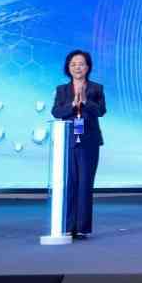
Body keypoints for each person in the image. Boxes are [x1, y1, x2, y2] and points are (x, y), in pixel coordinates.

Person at [51, 50, 106, 240]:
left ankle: (82, 228)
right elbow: (56, 112)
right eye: (73, 64)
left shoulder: (96, 88)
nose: (77, 67)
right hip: (67, 141)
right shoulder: (62, 90)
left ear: (87, 67)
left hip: (89, 141)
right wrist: (73, 106)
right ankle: (67, 226)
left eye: (81, 64)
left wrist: (85, 102)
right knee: (69, 183)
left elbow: (101, 111)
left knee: (85, 184)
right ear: (68, 67)